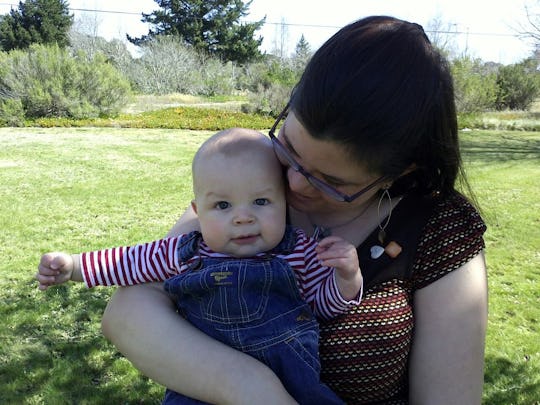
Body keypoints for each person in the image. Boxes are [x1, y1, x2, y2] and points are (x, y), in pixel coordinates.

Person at [97, 15, 488, 405]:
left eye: (332, 182)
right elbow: (128, 314)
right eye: (289, 147)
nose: (295, 183)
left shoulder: (440, 231)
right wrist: (248, 386)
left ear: (398, 173)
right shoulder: (253, 181)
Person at [37, 128, 363, 405]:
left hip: (294, 385)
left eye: (261, 202)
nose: (242, 217)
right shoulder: (186, 253)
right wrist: (74, 266)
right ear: (198, 211)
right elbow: (129, 263)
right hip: (200, 388)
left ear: (284, 202)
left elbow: (325, 304)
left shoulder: (300, 252)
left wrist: (346, 275)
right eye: (222, 205)